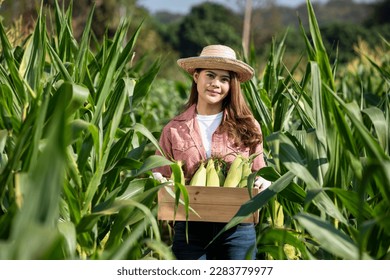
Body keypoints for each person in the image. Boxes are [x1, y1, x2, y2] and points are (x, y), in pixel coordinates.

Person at [154, 44, 270, 260]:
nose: (216, 84)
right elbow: (162, 173)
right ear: (196, 77)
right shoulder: (174, 129)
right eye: (210, 75)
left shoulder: (247, 125)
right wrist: (159, 180)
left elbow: (259, 170)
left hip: (238, 226)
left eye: (224, 79)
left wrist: (263, 182)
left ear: (232, 85)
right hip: (190, 228)